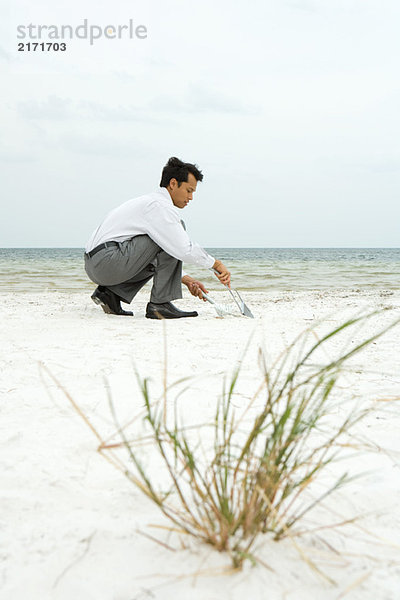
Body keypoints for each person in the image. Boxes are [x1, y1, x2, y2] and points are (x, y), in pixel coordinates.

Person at [84, 157, 231, 319]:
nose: (191, 198)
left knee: (166, 238)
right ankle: (160, 304)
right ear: (173, 184)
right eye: (189, 191)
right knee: (175, 232)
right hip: (107, 262)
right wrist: (216, 264)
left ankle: (110, 294)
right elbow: (183, 249)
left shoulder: (149, 203)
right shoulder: (159, 207)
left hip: (97, 265)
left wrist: (186, 279)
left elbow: (156, 256)